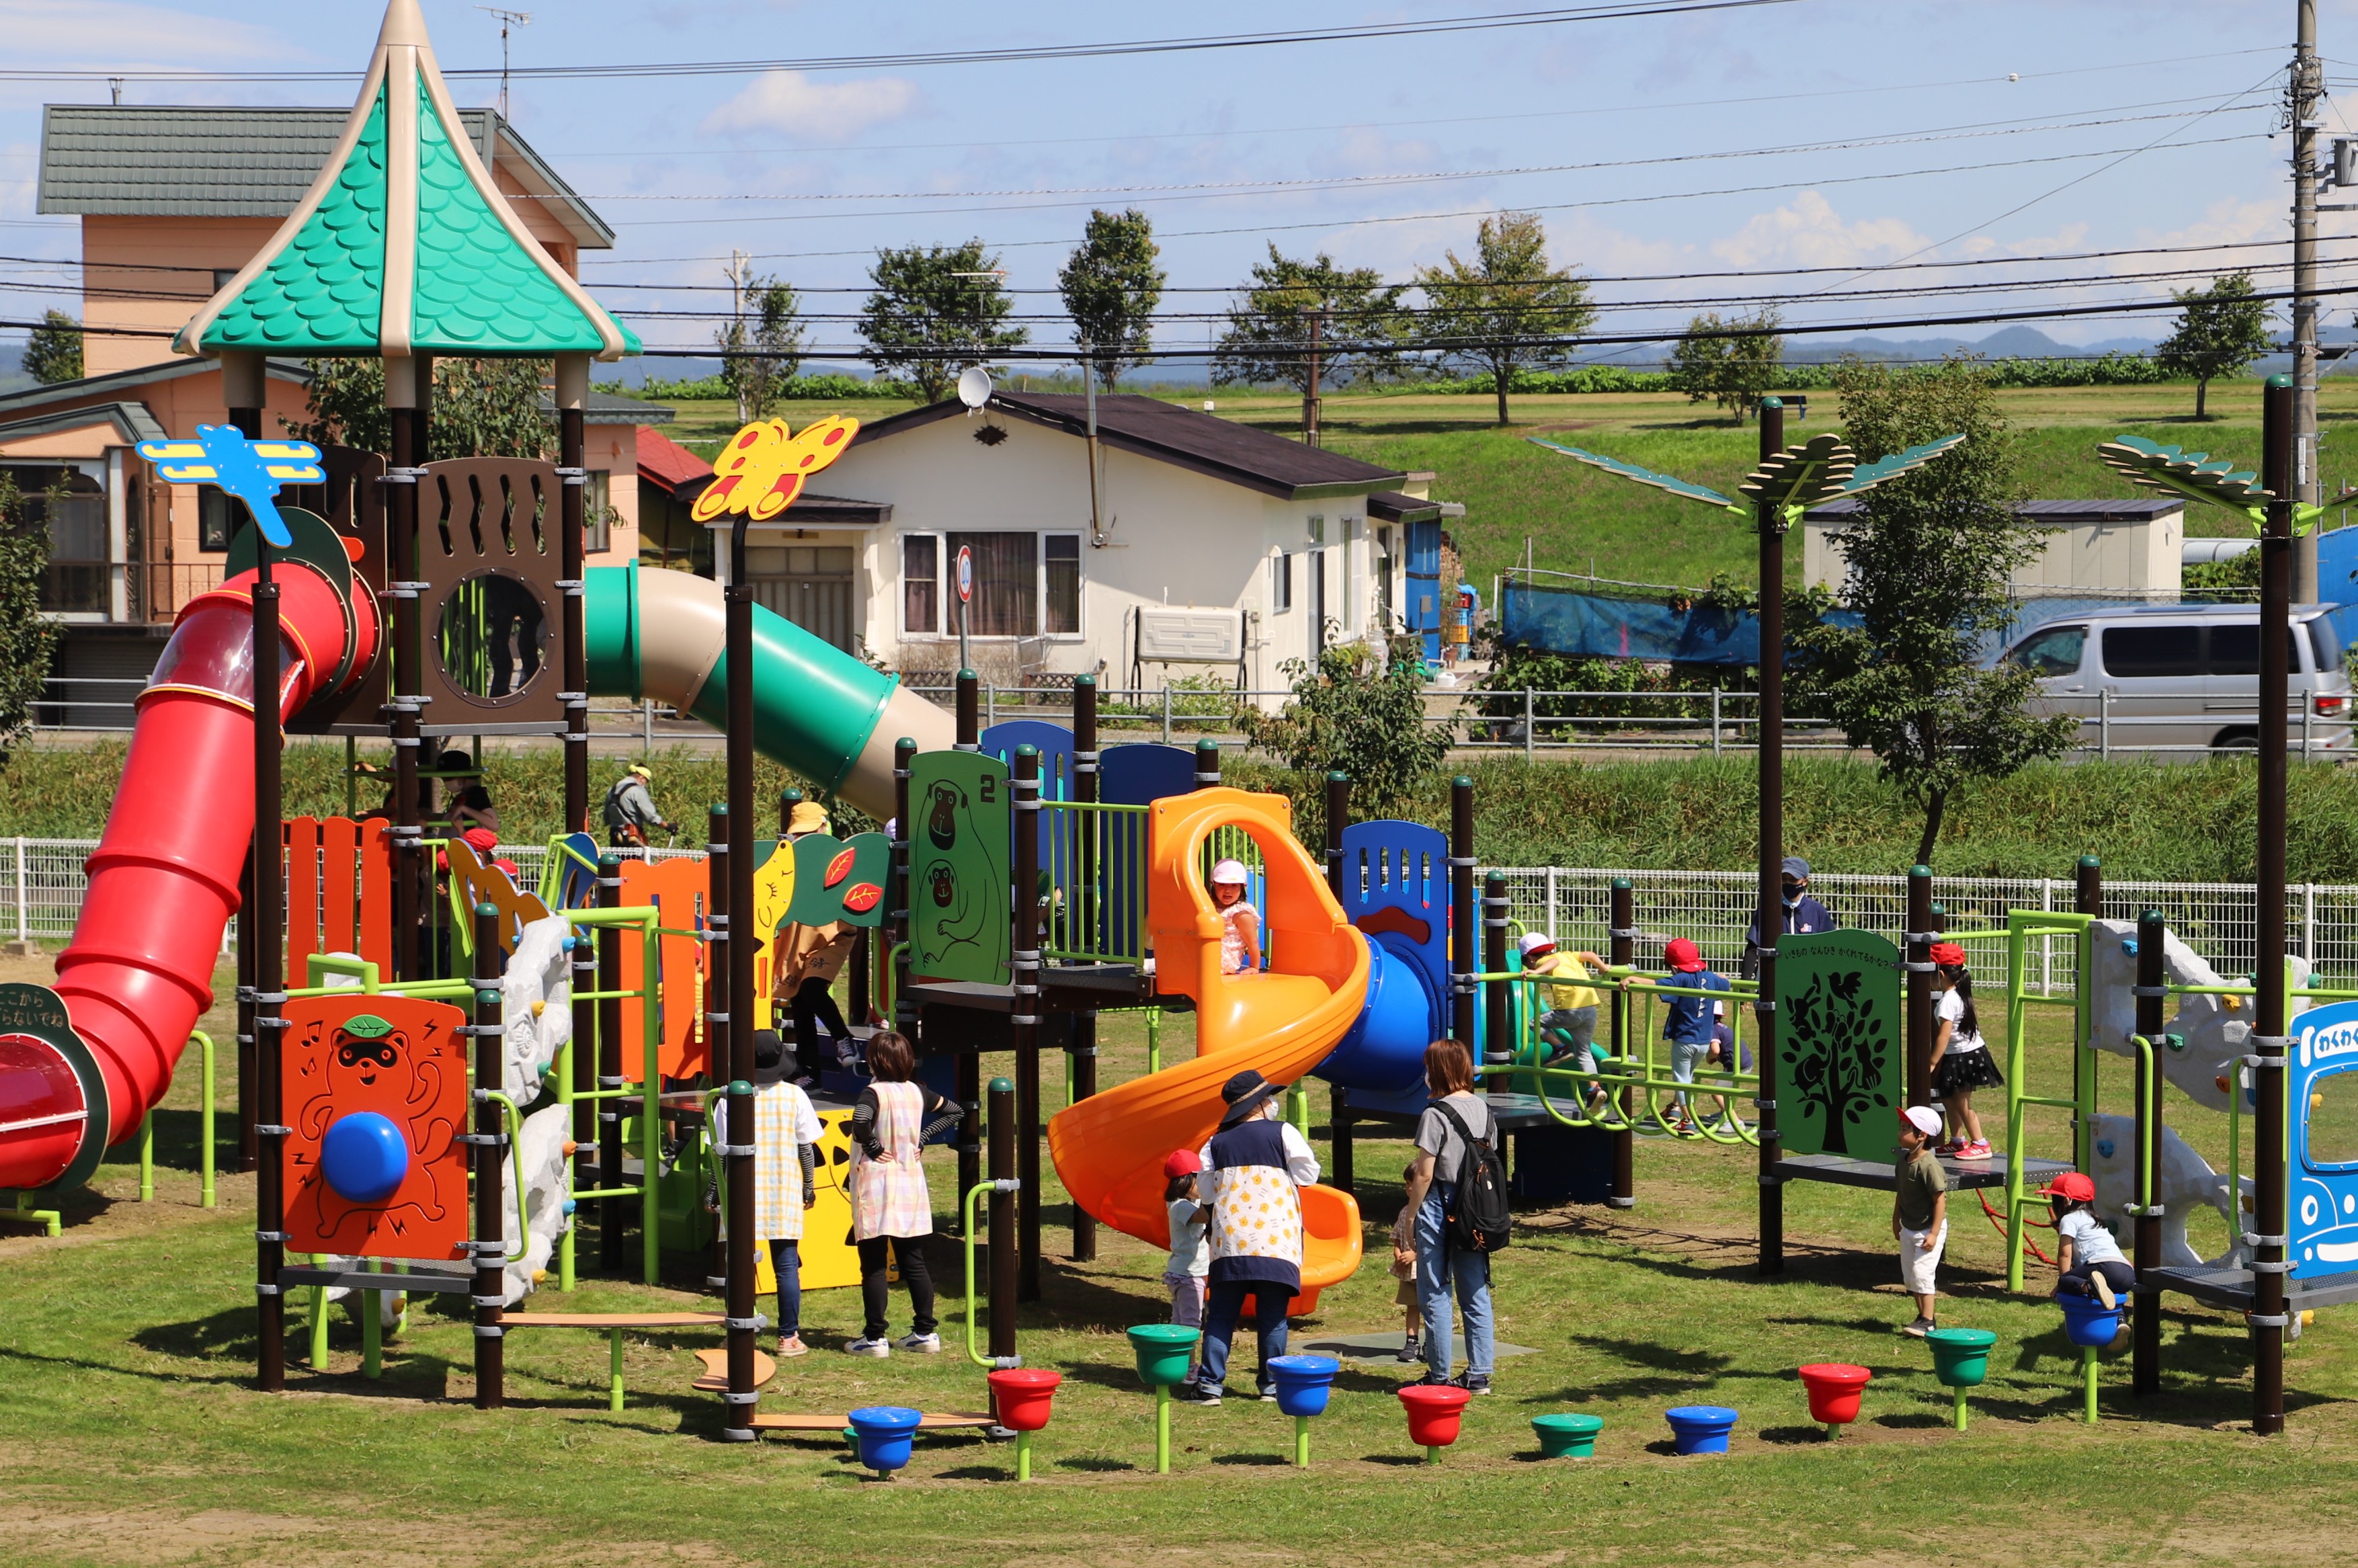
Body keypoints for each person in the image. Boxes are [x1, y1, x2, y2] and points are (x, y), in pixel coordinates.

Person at [1184, 1069, 1319, 1405]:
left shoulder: (1215, 1141)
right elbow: (1308, 1174)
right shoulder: (1282, 1131)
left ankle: (1210, 1385)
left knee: (1221, 1316)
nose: (1273, 1102)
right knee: (1273, 1317)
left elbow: (1206, 1191)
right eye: (1269, 1097)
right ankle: (1271, 1386)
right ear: (1260, 1104)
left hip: (1230, 1241)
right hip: (1276, 1240)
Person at [846, 1030, 961, 1356]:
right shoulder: (917, 1092)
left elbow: (860, 1122)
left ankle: (874, 1337)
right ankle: (925, 1332)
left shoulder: (873, 1093)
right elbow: (955, 1111)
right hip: (909, 1183)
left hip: (876, 1185)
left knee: (874, 1265)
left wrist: (871, 1145)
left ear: (874, 1061)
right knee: (914, 1261)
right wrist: (922, 1138)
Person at [711, 1030, 819, 1357]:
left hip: (743, 1191)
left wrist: (714, 1193)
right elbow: (806, 1149)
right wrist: (809, 1186)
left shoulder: (731, 1098)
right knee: (786, 1267)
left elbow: (720, 1152)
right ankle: (788, 1337)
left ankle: (738, 1328)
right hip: (783, 1188)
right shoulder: (796, 1096)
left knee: (739, 1264)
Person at [1402, 1038, 1496, 1393]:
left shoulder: (1435, 1114)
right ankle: (1480, 1373)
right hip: (1478, 1208)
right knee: (1475, 1292)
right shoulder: (1485, 1110)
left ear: (1437, 1070)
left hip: (1441, 1204)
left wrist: (1412, 1216)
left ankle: (1439, 1373)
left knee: (1435, 1289)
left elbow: (1425, 1173)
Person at [774, 798, 858, 1070]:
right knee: (799, 1002)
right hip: (801, 936)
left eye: (811, 833)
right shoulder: (789, 858)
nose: (806, 839)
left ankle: (843, 1037)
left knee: (812, 989)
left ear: (825, 827)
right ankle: (810, 1072)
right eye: (800, 834)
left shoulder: (840, 856)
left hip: (834, 935)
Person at [1646, 937, 1731, 1137]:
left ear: (1674, 967)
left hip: (1684, 1040)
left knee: (1680, 1079)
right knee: (1687, 1077)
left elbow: (1654, 984)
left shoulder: (1681, 979)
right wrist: (1723, 977)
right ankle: (1675, 1109)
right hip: (1704, 1041)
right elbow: (1725, 984)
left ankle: (1688, 1120)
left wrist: (1631, 979)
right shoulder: (1710, 978)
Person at [1928, 941, 2000, 1161]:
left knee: (1962, 1102)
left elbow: (1944, 1035)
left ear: (1940, 974)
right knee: (1949, 1099)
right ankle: (1957, 1140)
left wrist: (1932, 1062)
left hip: (1964, 1057)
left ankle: (1981, 1143)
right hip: (1961, 1055)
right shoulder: (1958, 995)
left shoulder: (1948, 1001)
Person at [1520, 932, 1607, 1102]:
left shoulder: (1544, 961)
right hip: (1590, 1010)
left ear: (1530, 958)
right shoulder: (1568, 955)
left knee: (1535, 1023)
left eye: (1525, 962)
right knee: (1584, 1052)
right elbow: (1589, 955)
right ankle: (1595, 1088)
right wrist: (1603, 968)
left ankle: (1560, 1048)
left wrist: (1536, 972)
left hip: (1571, 1010)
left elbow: (1553, 962)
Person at [1893, 1104, 1949, 1337]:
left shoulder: (1929, 1166)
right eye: (1901, 1127)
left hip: (1928, 1228)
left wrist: (1934, 1233)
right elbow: (1901, 1193)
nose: (1900, 1132)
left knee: (1922, 1272)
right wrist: (1896, 1219)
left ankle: (1928, 1321)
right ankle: (1922, 1317)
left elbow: (1940, 1201)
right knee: (1911, 1275)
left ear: (1922, 1135)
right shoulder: (1903, 1161)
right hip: (1909, 1226)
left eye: (1906, 1128)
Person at [2043, 1171, 2130, 1313]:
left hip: (2104, 1267)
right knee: (2109, 1293)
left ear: (2066, 1200)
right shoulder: (2094, 1219)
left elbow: (2065, 1255)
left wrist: (2064, 1283)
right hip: (2126, 1273)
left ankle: (2091, 1288)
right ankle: (2120, 1322)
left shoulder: (2070, 1218)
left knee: (2065, 1280)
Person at [1743, 856, 1833, 981]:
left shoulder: (1817, 911)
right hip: (1773, 981)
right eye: (1784, 879)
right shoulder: (1768, 909)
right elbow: (1753, 949)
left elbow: (1831, 949)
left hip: (1809, 981)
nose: (1788, 883)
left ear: (1805, 881)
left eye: (1793, 880)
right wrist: (1745, 987)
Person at [1163, 1149, 1211, 1380]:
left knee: (1179, 1322)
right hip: (1189, 1276)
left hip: (1183, 1273)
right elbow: (1205, 1216)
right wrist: (1216, 1193)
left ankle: (1175, 1363)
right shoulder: (1180, 1206)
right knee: (1191, 1325)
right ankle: (1190, 1369)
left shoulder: (1187, 1202)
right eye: (1199, 1178)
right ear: (1187, 1181)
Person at [1390, 1161, 1422, 1364]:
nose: (1410, 1187)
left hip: (1425, 1270)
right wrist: (1398, 1254)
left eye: (1414, 1182)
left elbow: (1434, 1245)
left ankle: (1433, 1344)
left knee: (1430, 1307)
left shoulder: (1428, 1211)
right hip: (1407, 1272)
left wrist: (1415, 1255)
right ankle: (1412, 1342)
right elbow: (1396, 1237)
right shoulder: (1405, 1211)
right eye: (1407, 1183)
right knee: (1412, 1305)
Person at [1210, 858, 1262, 975]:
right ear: (1213, 884)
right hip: (1206, 954)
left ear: (1243, 886)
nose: (1228, 890)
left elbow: (1252, 942)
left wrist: (1254, 967)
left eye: (1234, 885)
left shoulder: (1241, 914)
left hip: (1223, 962)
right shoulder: (1208, 905)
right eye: (1222, 884)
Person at [602, 764, 672, 848]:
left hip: (615, 836)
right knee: (636, 862)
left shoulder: (612, 790)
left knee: (617, 861)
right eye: (646, 781)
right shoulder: (637, 790)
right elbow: (650, 816)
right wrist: (667, 826)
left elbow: (606, 815)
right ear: (642, 778)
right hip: (632, 837)